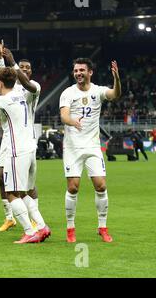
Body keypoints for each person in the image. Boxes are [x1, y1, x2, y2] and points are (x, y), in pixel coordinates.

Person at [0, 67, 50, 243]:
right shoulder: (21, 95)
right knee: (23, 193)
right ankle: (41, 226)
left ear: (0, 83)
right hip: (30, 150)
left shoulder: (5, 100)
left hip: (16, 153)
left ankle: (29, 231)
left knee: (11, 194)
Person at [59, 58, 121, 243]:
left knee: (101, 185)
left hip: (93, 146)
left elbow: (115, 94)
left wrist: (117, 78)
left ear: (90, 72)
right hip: (72, 146)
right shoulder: (68, 92)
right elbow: (63, 115)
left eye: (81, 70)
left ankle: (102, 227)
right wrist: (72, 121)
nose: (78, 73)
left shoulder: (97, 91)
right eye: (76, 70)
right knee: (73, 187)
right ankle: (70, 228)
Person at [0, 41, 43, 233]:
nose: (25, 70)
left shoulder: (31, 87)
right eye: (23, 67)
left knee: (26, 186)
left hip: (23, 141)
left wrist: (12, 63)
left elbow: (21, 84)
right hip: (7, 140)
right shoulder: (13, 88)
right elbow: (3, 82)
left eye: (28, 68)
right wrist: (0, 59)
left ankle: (33, 223)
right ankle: (10, 217)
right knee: (3, 178)